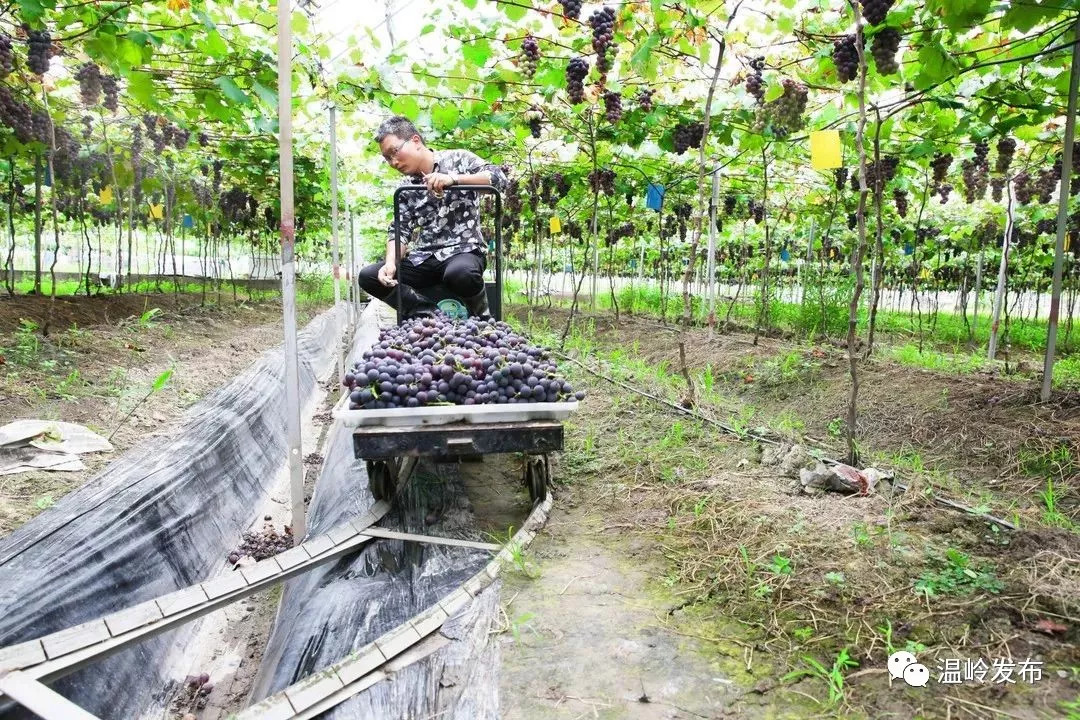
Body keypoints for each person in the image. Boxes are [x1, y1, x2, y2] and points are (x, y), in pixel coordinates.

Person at [359, 116, 509, 319]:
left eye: (394, 152)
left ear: (415, 141)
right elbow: (400, 230)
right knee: (369, 276)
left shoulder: (459, 159)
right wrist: (390, 263)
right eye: (387, 158)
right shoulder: (405, 188)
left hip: (463, 251)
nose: (393, 162)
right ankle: (429, 315)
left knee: (461, 273)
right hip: (424, 259)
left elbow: (498, 179)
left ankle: (481, 317)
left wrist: (454, 179)